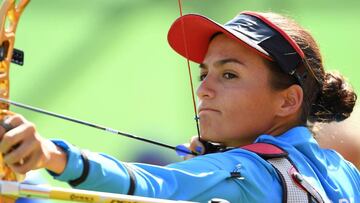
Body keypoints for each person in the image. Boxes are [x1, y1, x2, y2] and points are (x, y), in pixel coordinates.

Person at [0, 11, 359, 203]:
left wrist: (50, 155)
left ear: (287, 100)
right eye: (204, 73)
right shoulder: (346, 174)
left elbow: (152, 184)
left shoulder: (247, 171)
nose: (204, 89)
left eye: (229, 75)